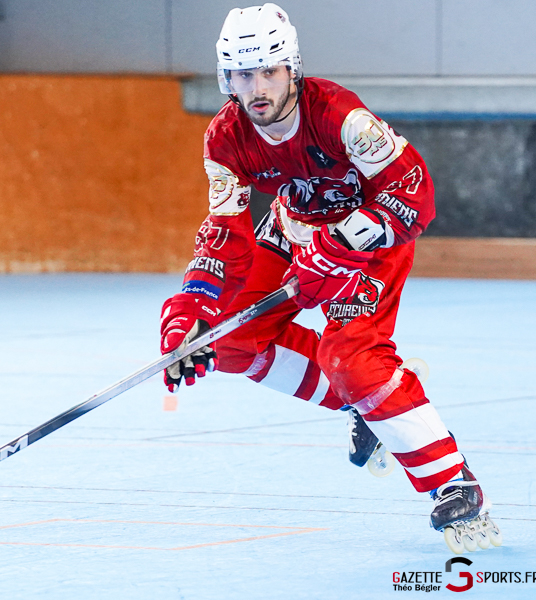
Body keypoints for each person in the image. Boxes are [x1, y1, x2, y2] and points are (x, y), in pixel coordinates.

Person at [158, 3, 501, 554]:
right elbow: (226, 232)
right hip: (296, 229)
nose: (258, 87)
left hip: (374, 236)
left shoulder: (341, 116)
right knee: (227, 339)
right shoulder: (224, 138)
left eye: (269, 70)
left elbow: (416, 193)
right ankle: (361, 409)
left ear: (291, 67)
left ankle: (453, 483)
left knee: (353, 361)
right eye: (244, 74)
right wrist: (191, 306)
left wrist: (342, 245)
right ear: (228, 78)